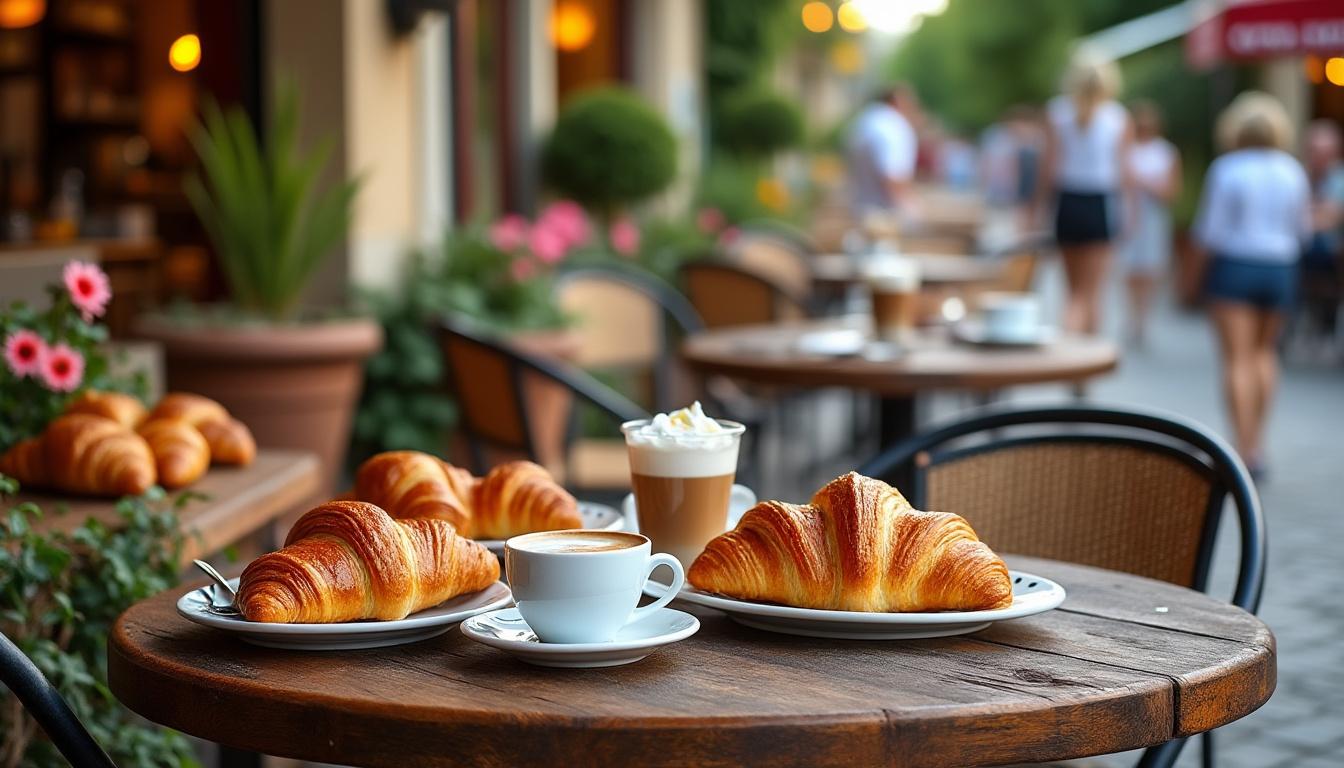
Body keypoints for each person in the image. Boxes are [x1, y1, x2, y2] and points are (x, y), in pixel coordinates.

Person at [1194, 92, 1310, 474]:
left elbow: (1210, 231)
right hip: (1280, 268)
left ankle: (1239, 448)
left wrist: (1193, 279)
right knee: (1264, 354)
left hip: (1236, 266)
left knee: (1237, 359)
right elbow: (1303, 230)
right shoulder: (1292, 170)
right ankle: (1257, 445)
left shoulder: (1228, 168)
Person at [1035, 55, 1132, 335]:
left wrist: (1037, 209)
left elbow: (1048, 169)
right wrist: (1128, 213)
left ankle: (1071, 342)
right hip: (1099, 203)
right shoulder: (1118, 117)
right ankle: (1084, 353)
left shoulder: (1057, 112)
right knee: (1092, 293)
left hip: (1068, 202)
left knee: (1073, 292)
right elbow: (1124, 173)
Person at [1118, 101, 1181, 346]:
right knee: (1129, 268)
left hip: (1154, 217)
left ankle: (1143, 318)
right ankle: (1132, 316)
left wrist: (1143, 183)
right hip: (1128, 215)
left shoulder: (1166, 152)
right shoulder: (1126, 150)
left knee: (1150, 269)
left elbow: (1171, 191)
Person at [1300, 119, 1344, 347]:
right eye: (1314, 150)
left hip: (1331, 251)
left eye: (1324, 152)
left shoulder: (1340, 179)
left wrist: (1307, 216)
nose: (1318, 157)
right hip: (1301, 248)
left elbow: (1330, 218)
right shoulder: (1298, 175)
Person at [847, 84, 920, 219]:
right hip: (886, 215)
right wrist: (910, 212)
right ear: (897, 101)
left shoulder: (863, 120)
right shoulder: (893, 125)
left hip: (860, 209)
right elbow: (892, 176)